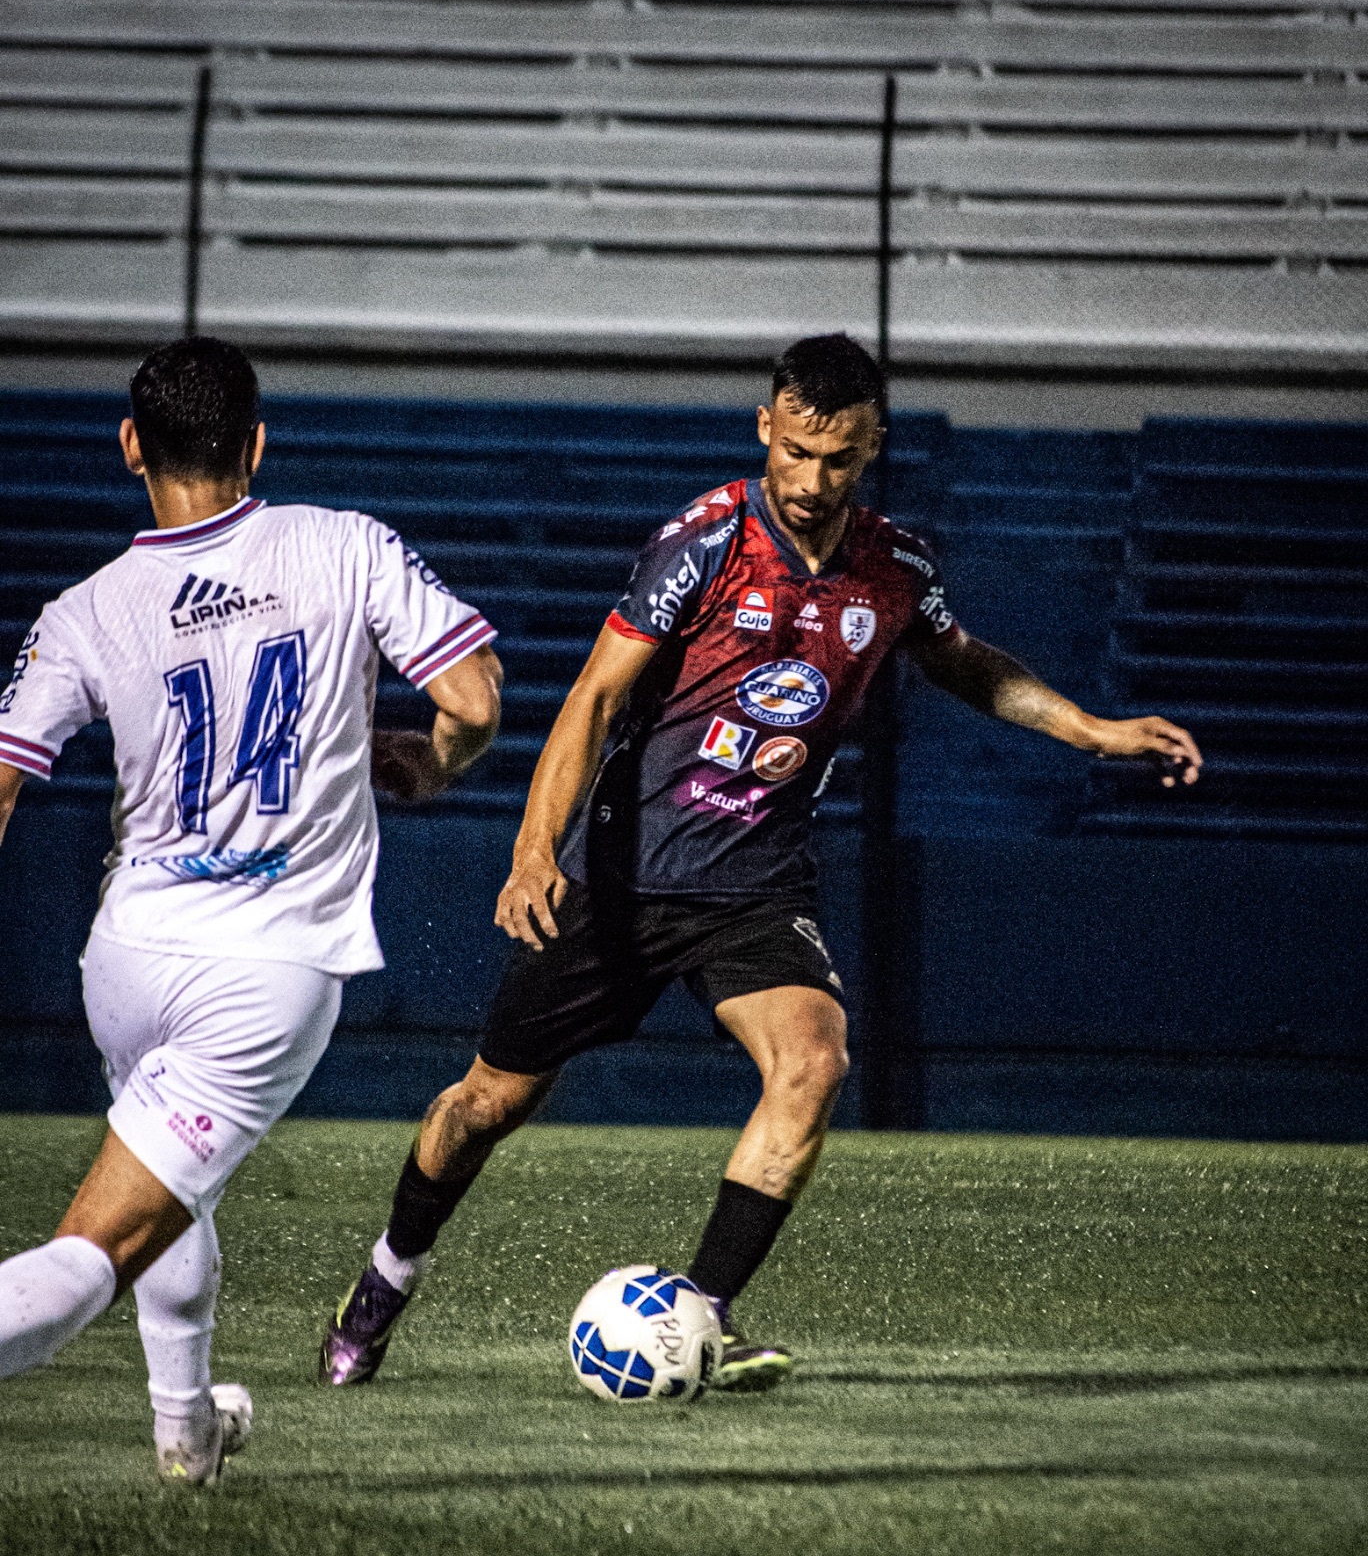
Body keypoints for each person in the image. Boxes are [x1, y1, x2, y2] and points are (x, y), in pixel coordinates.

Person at [319, 332, 1201, 1393]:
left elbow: (965, 662)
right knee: (483, 1106)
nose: (813, 480)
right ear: (766, 430)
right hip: (623, 876)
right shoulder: (704, 543)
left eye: (839, 459)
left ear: (870, 450)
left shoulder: (896, 567)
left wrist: (1095, 730)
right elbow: (595, 699)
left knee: (816, 1058)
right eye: (797, 451)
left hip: (756, 885)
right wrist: (531, 852)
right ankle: (383, 1281)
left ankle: (704, 1316)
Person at [0, 336, 503, 1482]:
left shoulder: (84, 608)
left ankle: (188, 1433)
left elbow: (4, 778)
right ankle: (175, 1424)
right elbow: (472, 694)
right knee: (102, 1242)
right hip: (265, 974)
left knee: (176, 1190)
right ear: (257, 442)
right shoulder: (344, 545)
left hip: (125, 956)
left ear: (131, 447)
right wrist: (434, 762)